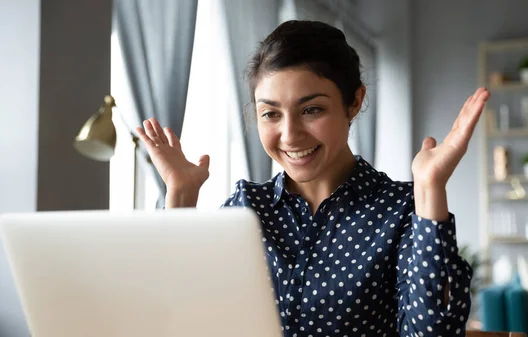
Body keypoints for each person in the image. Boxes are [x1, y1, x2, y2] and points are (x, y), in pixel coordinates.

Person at [136, 20, 489, 337]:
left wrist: (429, 188)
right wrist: (179, 196)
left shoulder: (401, 211)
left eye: (311, 110)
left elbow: (433, 332)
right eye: (270, 113)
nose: (289, 135)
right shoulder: (245, 208)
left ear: (354, 102)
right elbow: (179, 318)